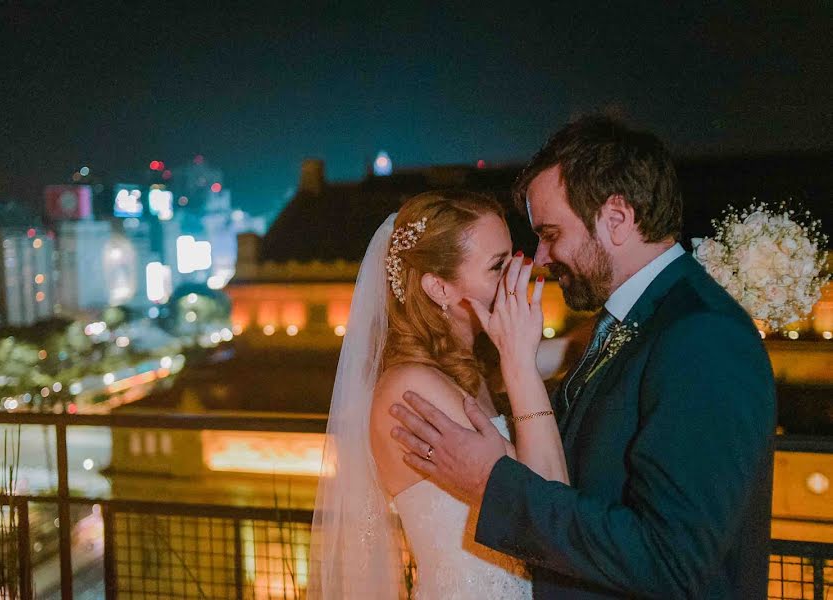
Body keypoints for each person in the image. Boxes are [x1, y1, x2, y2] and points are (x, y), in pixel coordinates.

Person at [390, 116, 776, 599]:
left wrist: (494, 483)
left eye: (551, 233)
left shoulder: (703, 337)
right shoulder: (631, 322)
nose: (543, 259)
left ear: (616, 219)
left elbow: (671, 561)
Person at [308, 190, 569, 599]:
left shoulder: (468, 365)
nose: (517, 277)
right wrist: (519, 362)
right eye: (497, 267)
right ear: (440, 288)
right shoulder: (413, 388)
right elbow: (549, 508)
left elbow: (570, 352)